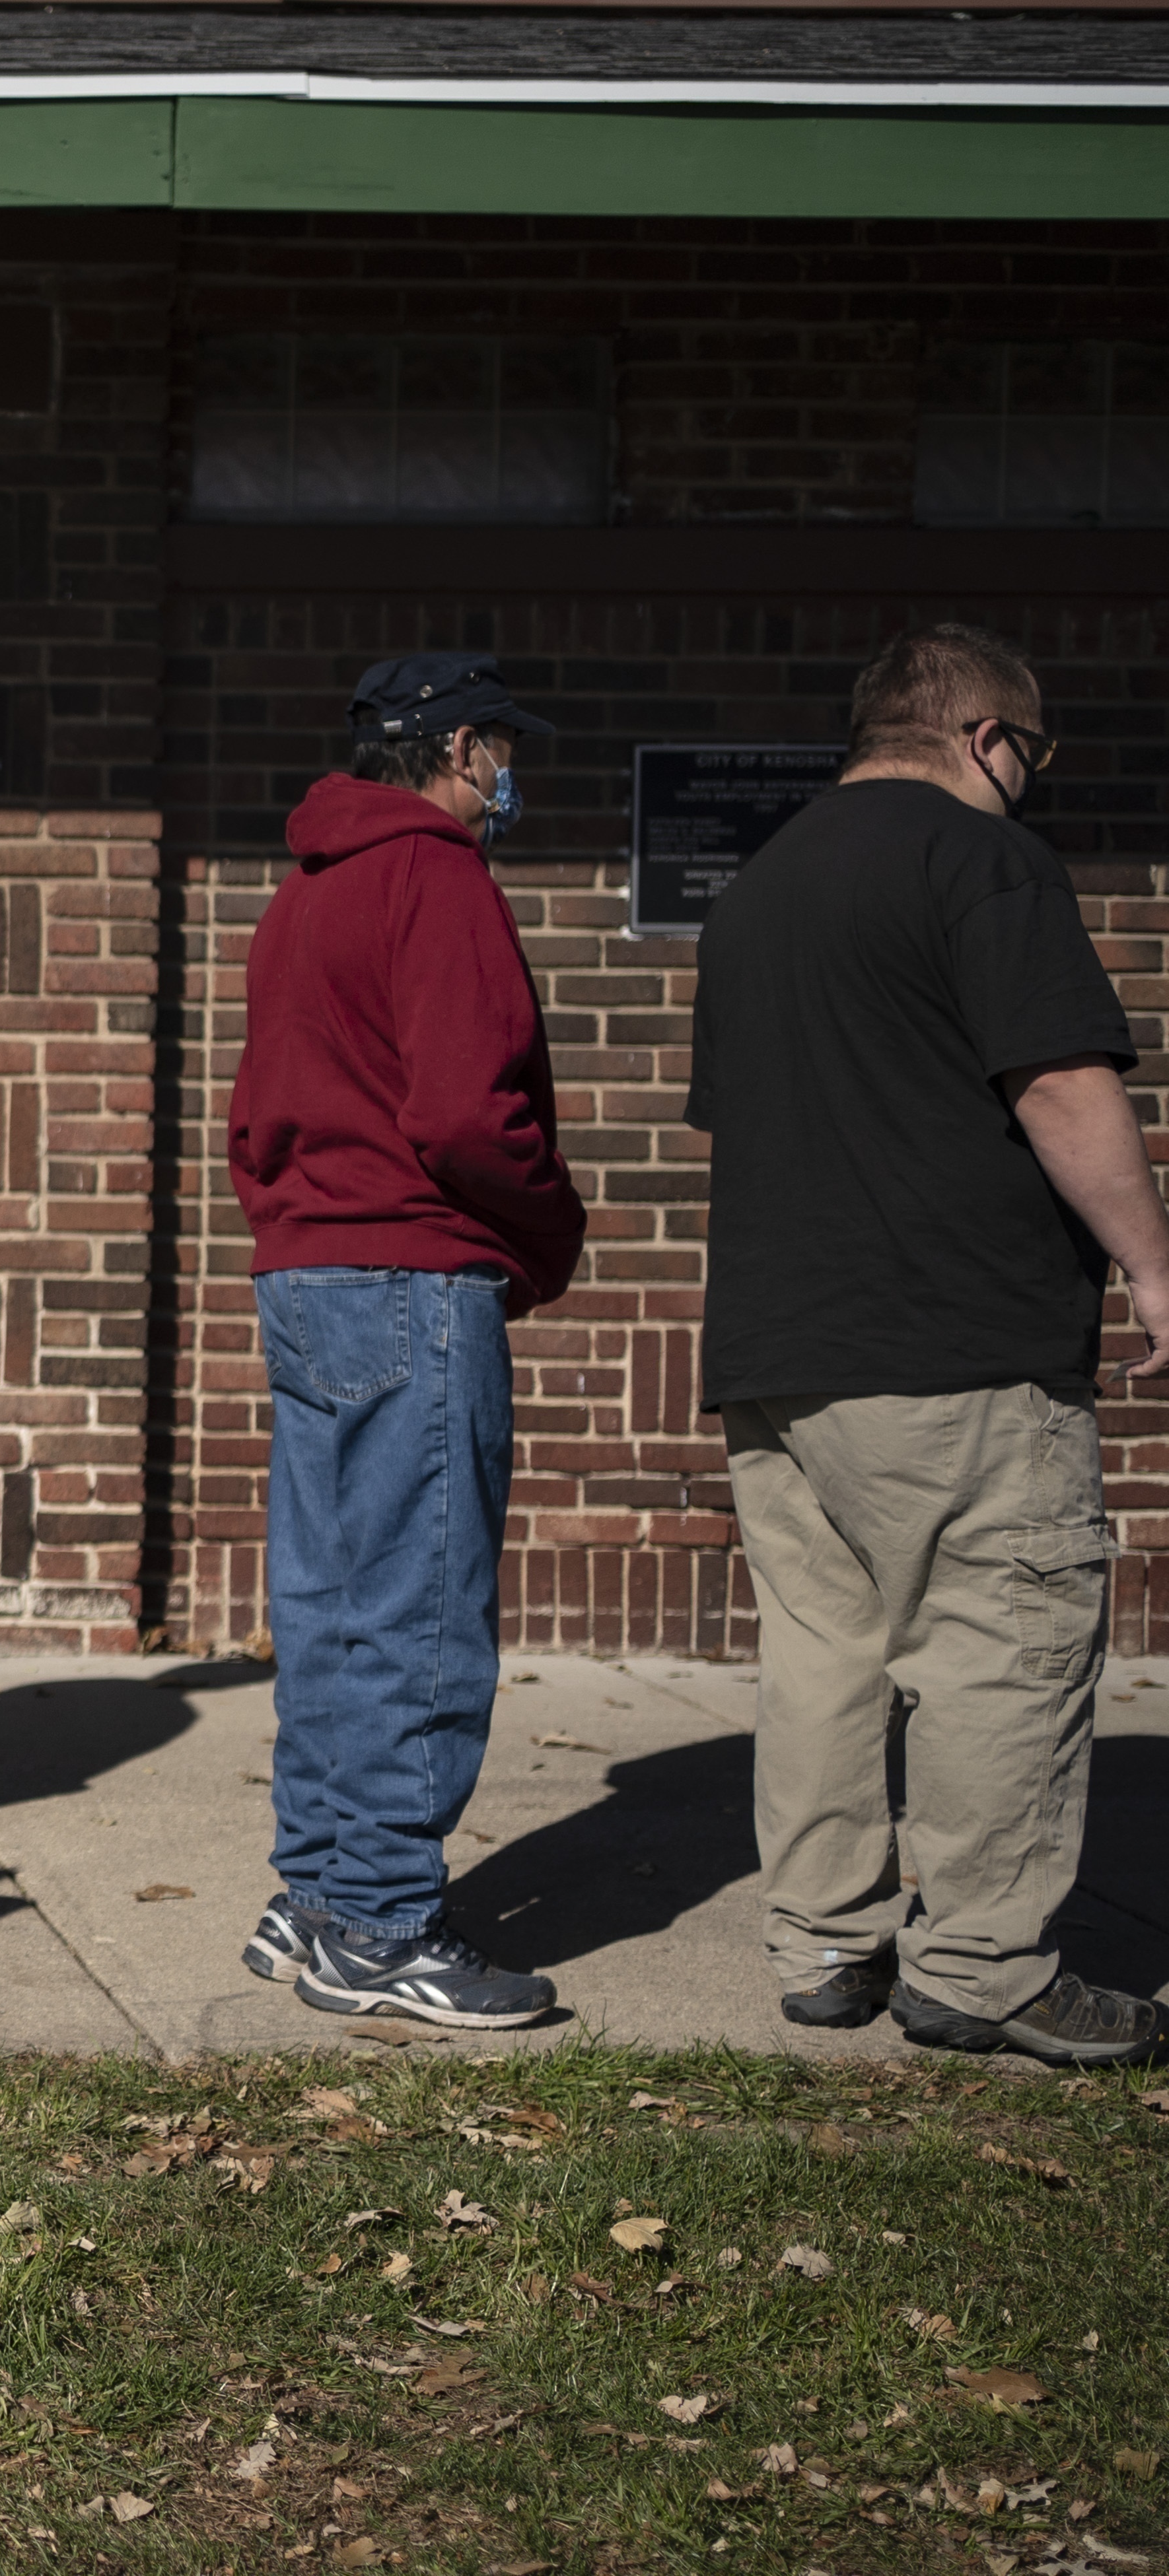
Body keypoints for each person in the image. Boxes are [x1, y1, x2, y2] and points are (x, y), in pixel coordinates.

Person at [693, 623, 1168, 2067]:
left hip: (778, 1352)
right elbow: (1058, 1080)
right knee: (1002, 1643)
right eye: (1027, 758)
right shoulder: (980, 860)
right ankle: (981, 1967)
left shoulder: (754, 893)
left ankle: (826, 1942)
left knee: (821, 1651)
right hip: (952, 1340)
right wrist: (1152, 1263)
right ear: (981, 737)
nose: (1025, 786)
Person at [226, 652, 584, 2029]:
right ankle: (378, 1923)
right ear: (449, 749)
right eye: (498, 744)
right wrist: (548, 1232)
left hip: (308, 1272)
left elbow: (256, 1113)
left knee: (325, 1607)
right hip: (411, 1274)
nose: (507, 772)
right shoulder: (434, 876)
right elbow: (464, 1116)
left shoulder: (301, 891)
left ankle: (313, 1896)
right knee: (420, 1608)